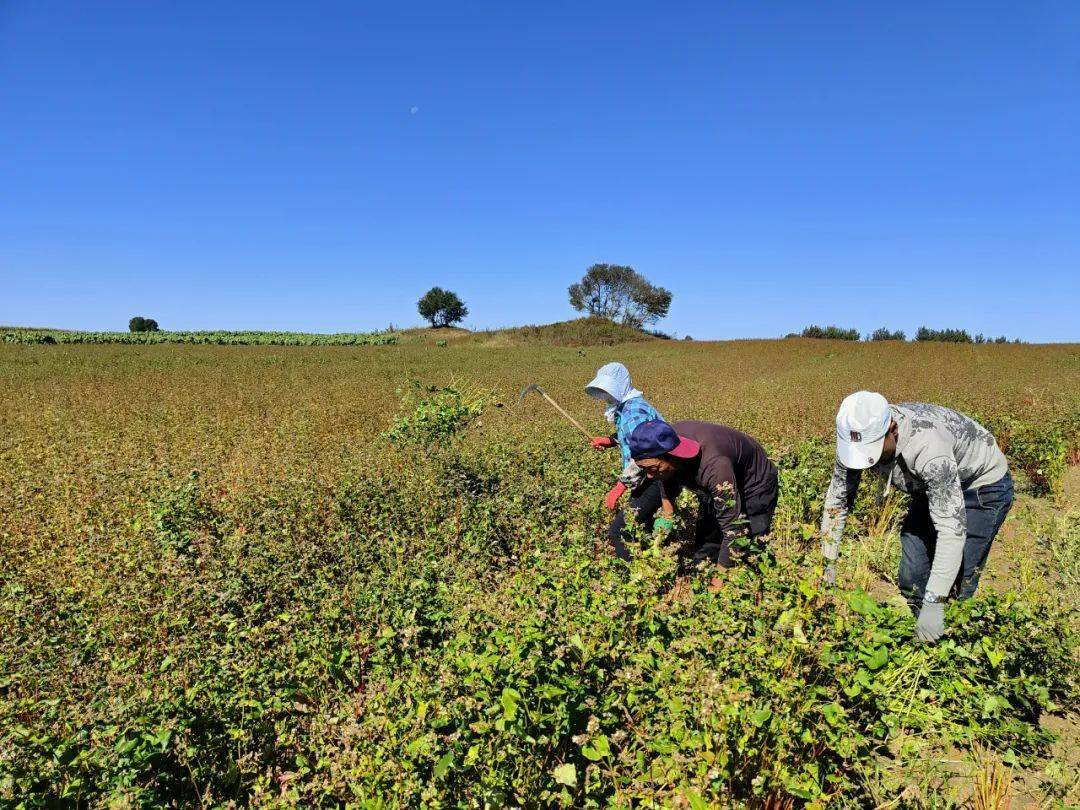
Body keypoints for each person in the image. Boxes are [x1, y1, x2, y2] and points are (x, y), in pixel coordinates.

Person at [820, 392, 1013, 643]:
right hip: (928, 486)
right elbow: (837, 502)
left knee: (958, 584)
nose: (869, 461)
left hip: (980, 487)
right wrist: (828, 563)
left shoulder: (928, 449)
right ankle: (927, 637)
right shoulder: (853, 439)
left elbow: (951, 531)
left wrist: (935, 602)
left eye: (875, 450)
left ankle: (951, 647)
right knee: (912, 574)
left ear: (892, 429)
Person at [618, 419, 779, 569]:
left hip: (755, 483)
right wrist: (668, 510)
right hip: (719, 478)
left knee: (750, 544)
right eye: (644, 469)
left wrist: (720, 583)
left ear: (673, 456)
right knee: (708, 539)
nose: (650, 476)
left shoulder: (714, 468)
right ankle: (704, 573)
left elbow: (734, 530)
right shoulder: (662, 440)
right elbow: (664, 475)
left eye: (652, 469)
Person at [585, 362, 669, 512]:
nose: (606, 396)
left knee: (620, 529)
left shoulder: (633, 412)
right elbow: (636, 436)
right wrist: (611, 440)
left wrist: (620, 486)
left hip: (655, 475)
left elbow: (645, 452)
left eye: (609, 389)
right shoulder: (628, 406)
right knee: (639, 523)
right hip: (650, 474)